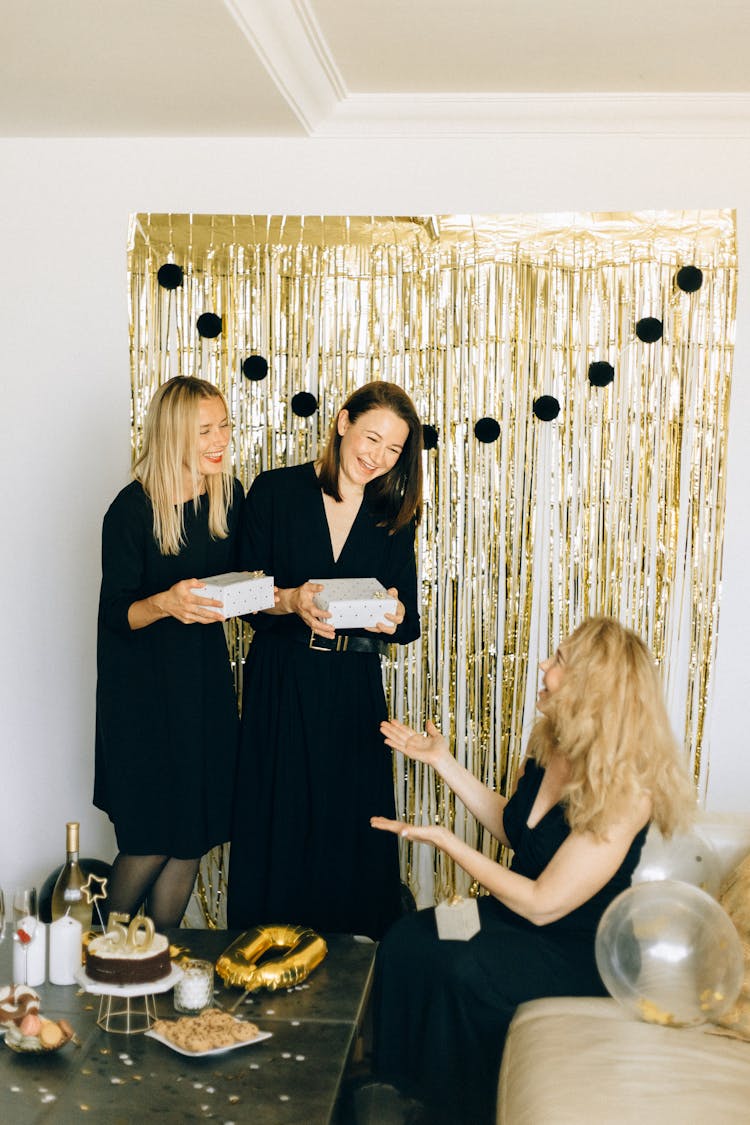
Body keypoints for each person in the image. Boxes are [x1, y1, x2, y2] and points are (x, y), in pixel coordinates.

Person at [370, 616, 696, 1124]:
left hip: (573, 949)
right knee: (409, 937)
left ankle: (452, 1110)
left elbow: (544, 904)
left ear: (592, 687)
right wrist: (443, 762)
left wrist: (446, 842)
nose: (543, 665)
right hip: (511, 917)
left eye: (560, 661)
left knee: (462, 970)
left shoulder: (628, 789)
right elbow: (516, 827)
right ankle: (397, 1090)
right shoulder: (552, 745)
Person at [228, 380, 423, 939]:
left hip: (353, 687)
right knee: (278, 819)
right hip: (281, 679)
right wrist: (290, 600)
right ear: (341, 423)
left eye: (393, 450)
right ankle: (265, 958)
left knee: (347, 827)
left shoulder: (393, 513)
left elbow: (407, 623)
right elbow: (240, 595)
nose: (378, 457)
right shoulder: (276, 491)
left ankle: (348, 977)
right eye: (371, 437)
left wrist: (392, 614)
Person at [94, 376, 244, 929]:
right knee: (152, 838)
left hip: (201, 687)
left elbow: (243, 577)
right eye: (205, 429)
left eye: (224, 424)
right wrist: (166, 602)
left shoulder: (227, 495)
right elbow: (118, 615)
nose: (219, 438)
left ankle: (160, 961)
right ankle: (102, 956)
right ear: (172, 434)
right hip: (141, 696)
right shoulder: (130, 511)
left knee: (191, 839)